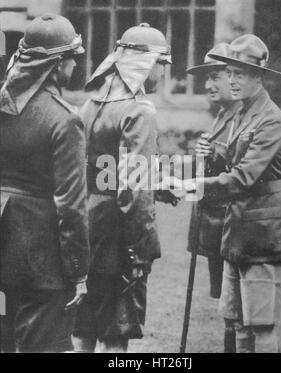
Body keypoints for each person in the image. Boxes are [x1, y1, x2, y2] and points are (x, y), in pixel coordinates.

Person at [181, 34, 281, 353]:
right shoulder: (245, 112)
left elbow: (245, 176)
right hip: (238, 233)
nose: (232, 80)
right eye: (229, 72)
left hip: (265, 234)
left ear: (258, 77)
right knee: (237, 323)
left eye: (240, 74)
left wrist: (197, 185)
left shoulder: (269, 119)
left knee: (261, 326)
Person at [72, 23, 172, 353]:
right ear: (147, 64)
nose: (164, 72)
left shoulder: (89, 105)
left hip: (86, 228)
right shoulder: (138, 111)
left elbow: (102, 173)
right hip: (117, 235)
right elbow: (134, 190)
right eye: (163, 63)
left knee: (84, 328)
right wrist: (142, 248)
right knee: (116, 334)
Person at [0, 14, 90, 352]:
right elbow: (71, 206)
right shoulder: (65, 120)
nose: (74, 66)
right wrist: (79, 272)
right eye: (72, 58)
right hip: (43, 263)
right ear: (57, 65)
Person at [186, 43, 241, 353]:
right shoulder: (222, 114)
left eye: (215, 76)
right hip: (216, 224)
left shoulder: (249, 116)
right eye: (206, 77)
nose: (208, 85)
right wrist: (203, 156)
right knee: (226, 306)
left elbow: (249, 173)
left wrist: (216, 153)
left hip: (237, 227)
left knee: (237, 309)